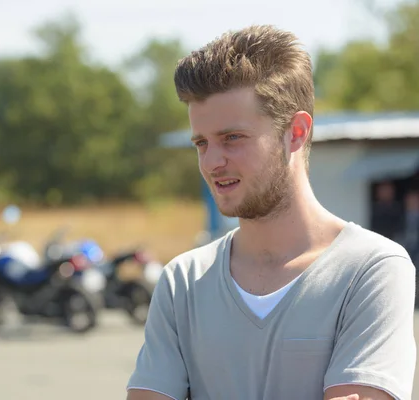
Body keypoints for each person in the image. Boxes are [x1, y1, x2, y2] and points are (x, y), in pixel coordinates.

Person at [126, 25, 416, 400]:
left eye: (233, 138)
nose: (212, 161)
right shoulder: (183, 281)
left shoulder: (371, 270)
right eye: (201, 142)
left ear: (295, 132)